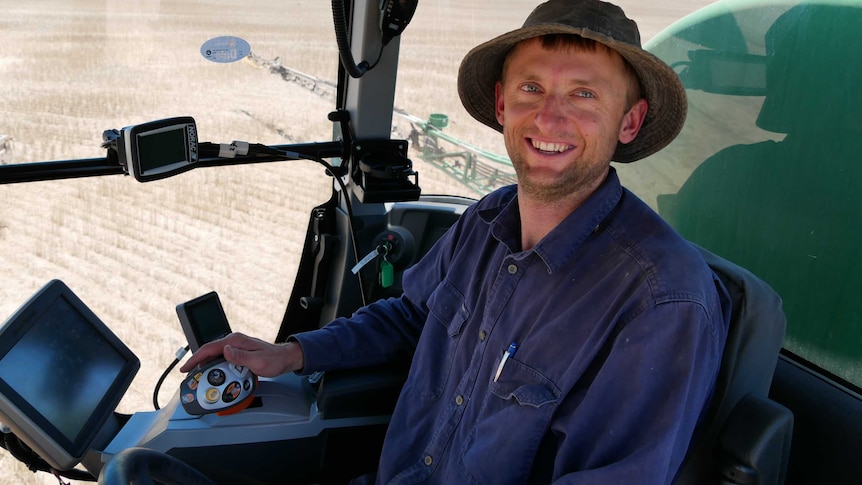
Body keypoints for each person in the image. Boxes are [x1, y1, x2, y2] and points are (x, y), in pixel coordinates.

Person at [182, 0, 730, 483]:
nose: (549, 115)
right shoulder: (488, 219)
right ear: (500, 104)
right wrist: (294, 352)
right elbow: (409, 318)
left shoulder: (661, 303)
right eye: (531, 88)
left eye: (584, 94)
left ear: (629, 122)